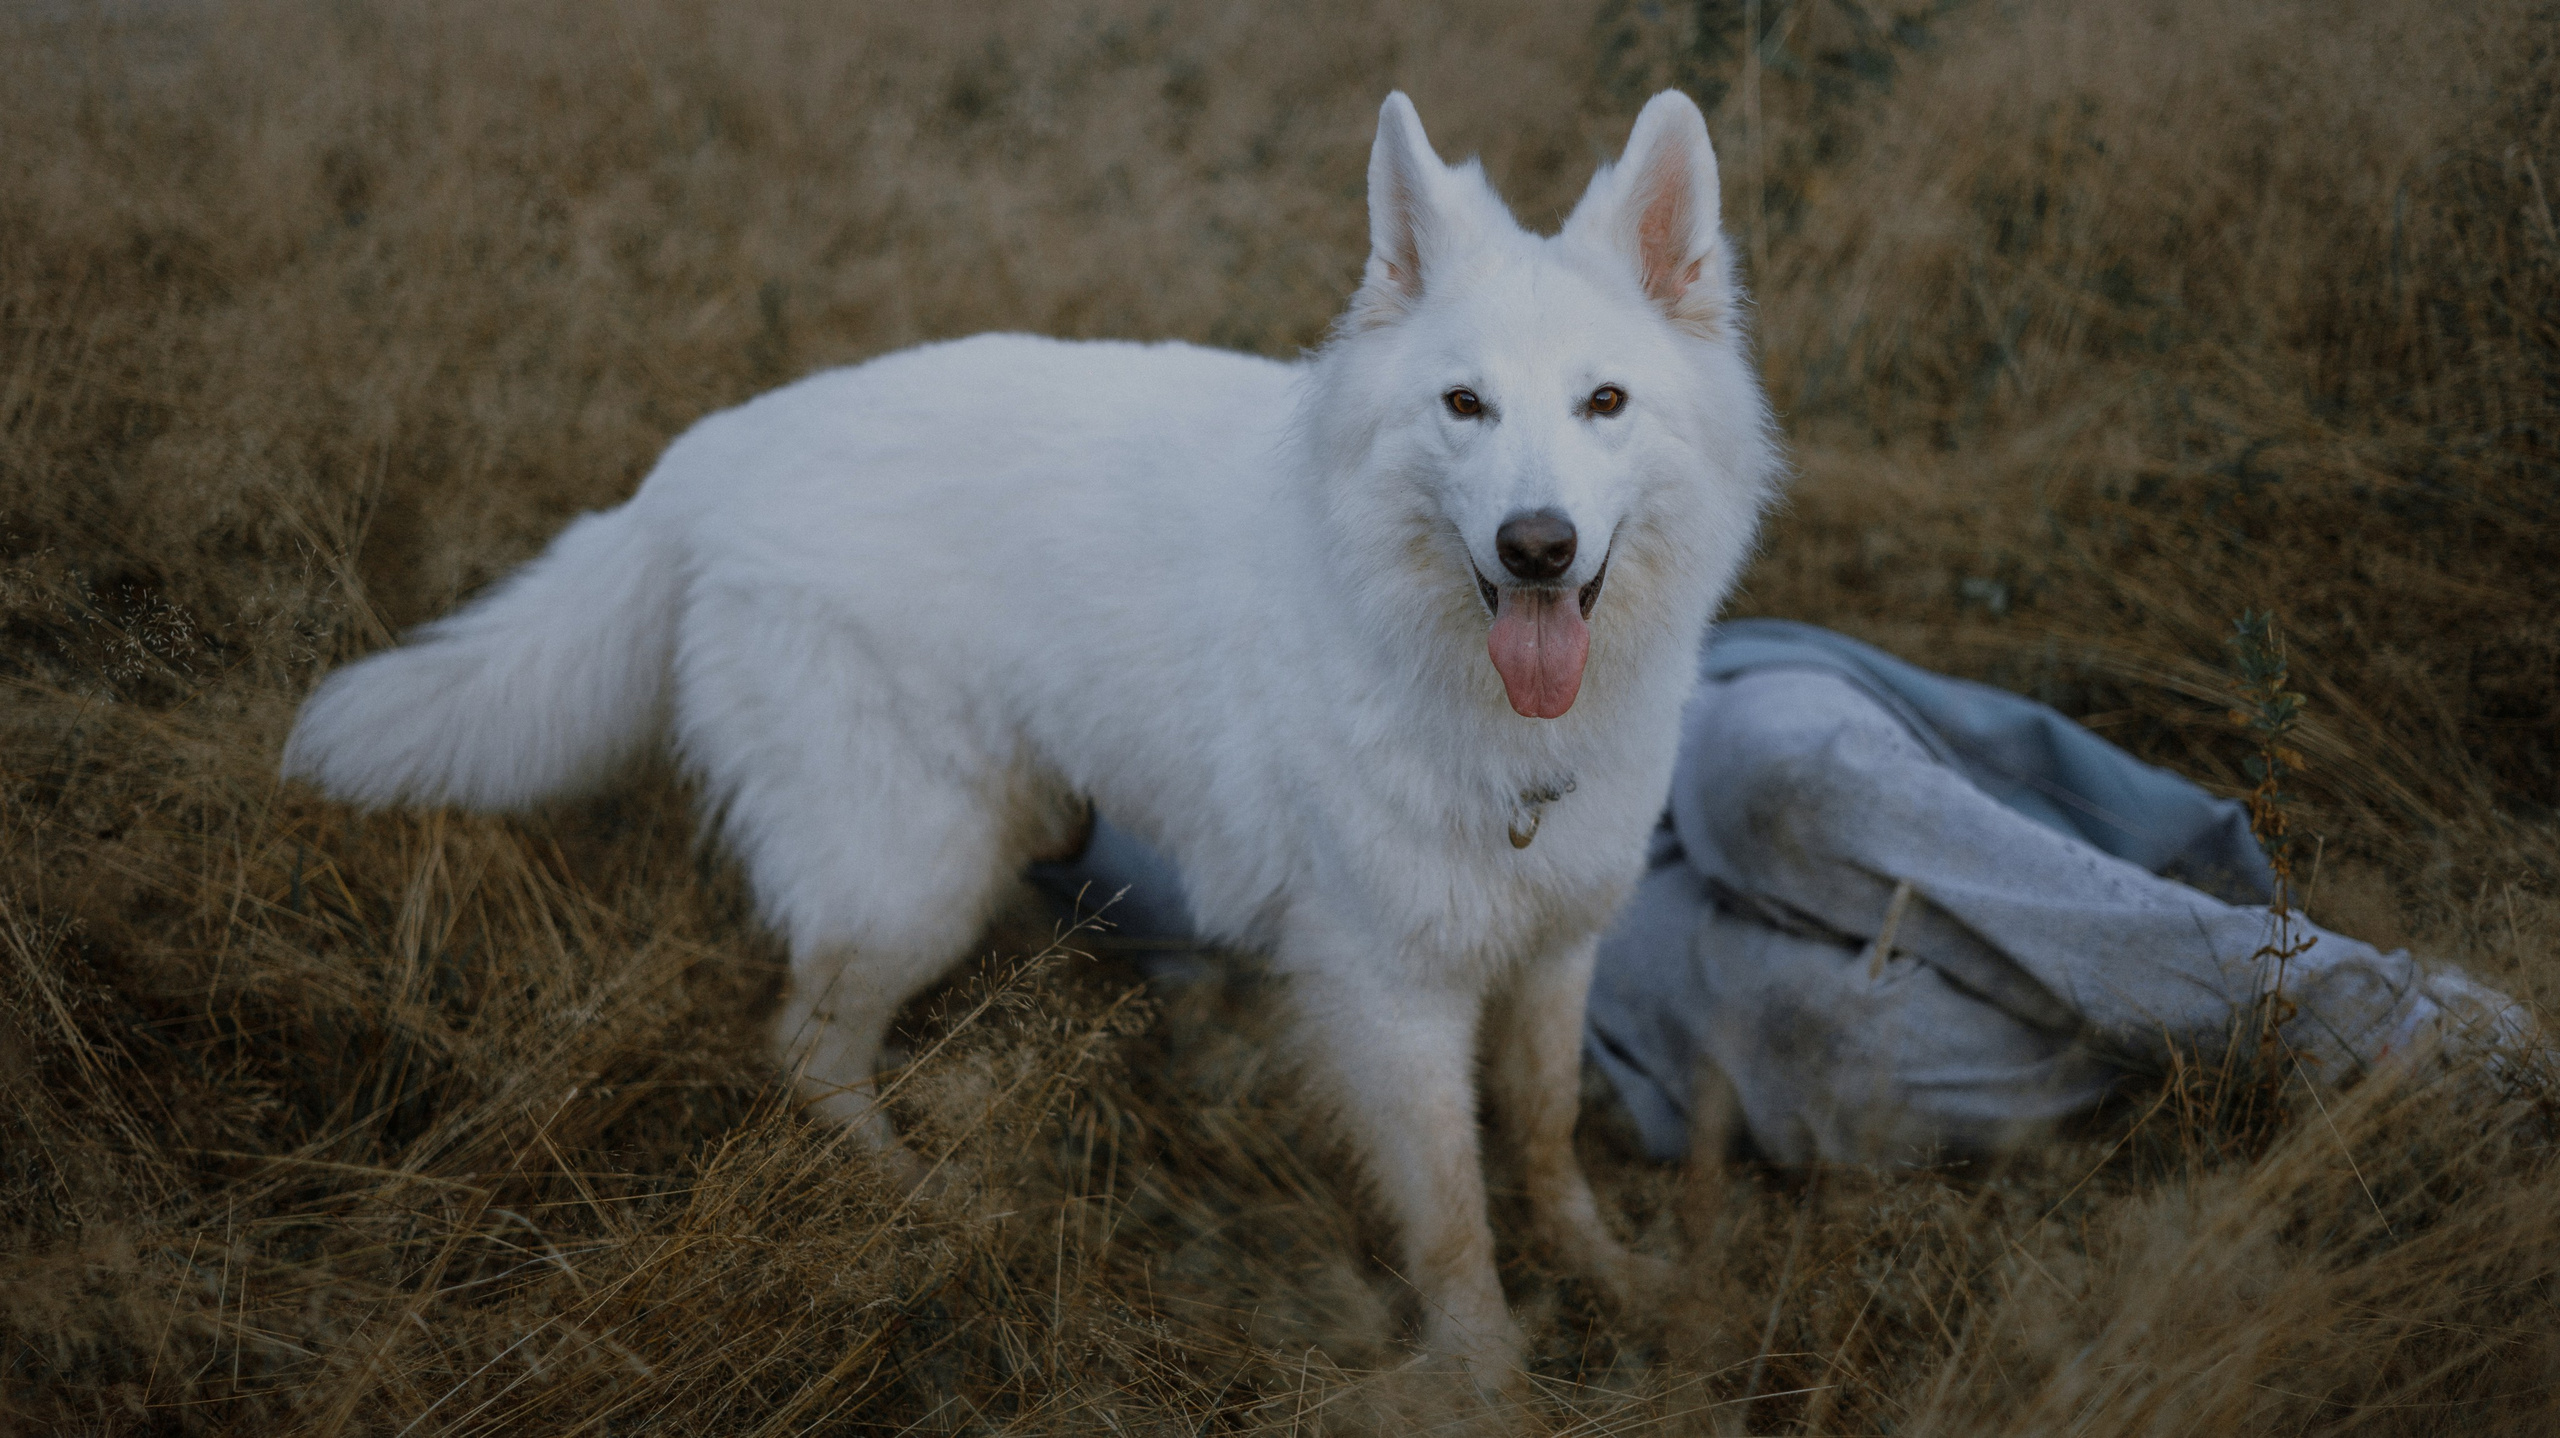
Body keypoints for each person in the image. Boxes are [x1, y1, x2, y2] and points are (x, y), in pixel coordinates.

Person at [1032, 620, 2535, 1167]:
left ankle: (2372, 1020)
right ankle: (2216, 1072)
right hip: (1585, 958)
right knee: (1818, 1039)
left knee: (1789, 788)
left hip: (1684, 733)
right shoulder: (1076, 834)